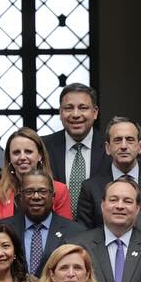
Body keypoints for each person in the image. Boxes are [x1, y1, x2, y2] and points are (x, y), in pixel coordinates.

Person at [74, 116, 141, 229]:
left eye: (130, 140)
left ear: (140, 147)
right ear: (107, 148)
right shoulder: (90, 187)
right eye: (117, 140)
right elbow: (83, 233)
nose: (123, 146)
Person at [0, 127, 73, 229]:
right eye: (16, 152)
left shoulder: (59, 190)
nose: (22, 157)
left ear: (40, 155)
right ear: (9, 157)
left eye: (28, 152)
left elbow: (66, 234)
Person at [5, 168, 84, 278]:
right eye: (29, 192)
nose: (36, 197)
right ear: (20, 197)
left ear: (53, 197)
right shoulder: (4, 229)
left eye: (43, 191)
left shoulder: (76, 233)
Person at [43, 83, 109, 211]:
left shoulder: (111, 146)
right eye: (68, 108)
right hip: (56, 227)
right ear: (60, 113)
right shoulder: (43, 146)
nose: (76, 114)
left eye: (83, 108)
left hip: (98, 227)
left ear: (95, 113)